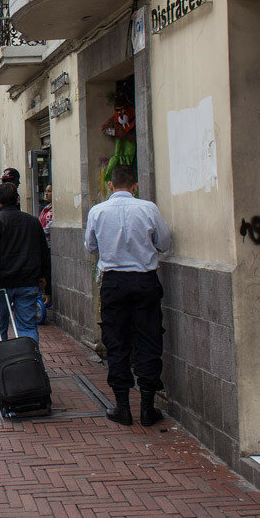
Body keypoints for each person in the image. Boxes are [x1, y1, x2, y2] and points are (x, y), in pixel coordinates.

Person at [85, 165, 173, 427]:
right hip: (144, 281)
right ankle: (147, 408)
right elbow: (165, 243)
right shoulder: (148, 208)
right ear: (135, 186)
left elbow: (90, 246)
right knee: (148, 341)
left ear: (110, 185)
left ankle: (122, 407)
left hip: (113, 283)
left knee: (116, 342)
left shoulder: (97, 212)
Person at [0, 183, 50, 344]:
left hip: (0, 284)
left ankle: (0, 363)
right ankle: (30, 360)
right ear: (17, 199)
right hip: (27, 281)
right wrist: (43, 276)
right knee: (27, 326)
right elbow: (43, 251)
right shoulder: (32, 222)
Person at [38, 183, 54, 323]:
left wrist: (38, 232)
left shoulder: (54, 210)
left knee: (48, 272)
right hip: (44, 244)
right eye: (46, 191)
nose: (46, 193)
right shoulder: (45, 208)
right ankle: (47, 296)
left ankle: (49, 297)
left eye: (50, 191)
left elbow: (49, 228)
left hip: (49, 245)